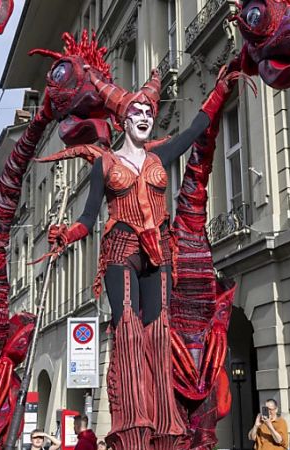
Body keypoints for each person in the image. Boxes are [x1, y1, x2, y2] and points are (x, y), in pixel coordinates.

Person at [47, 63, 239, 449]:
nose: (144, 118)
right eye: (136, 113)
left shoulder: (159, 156)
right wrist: (67, 234)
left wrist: (219, 91)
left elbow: (195, 131)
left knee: (158, 330)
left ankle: (166, 425)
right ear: (122, 121)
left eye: (149, 114)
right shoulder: (106, 163)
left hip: (159, 251)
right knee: (129, 333)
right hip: (121, 248)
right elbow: (88, 217)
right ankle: (133, 427)